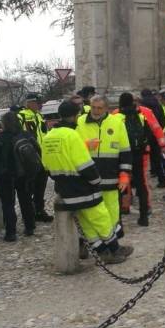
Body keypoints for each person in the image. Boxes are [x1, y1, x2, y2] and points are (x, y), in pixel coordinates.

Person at [42, 100, 131, 263]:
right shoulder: (72, 135)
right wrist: (96, 181)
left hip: (64, 188)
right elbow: (84, 164)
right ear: (75, 116)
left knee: (85, 220)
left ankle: (100, 250)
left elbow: (46, 165)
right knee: (101, 218)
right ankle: (113, 249)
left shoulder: (49, 136)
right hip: (83, 186)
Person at [77, 95, 132, 237]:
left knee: (112, 212)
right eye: (93, 107)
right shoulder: (80, 121)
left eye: (99, 108)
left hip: (111, 178)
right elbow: (73, 148)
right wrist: (85, 146)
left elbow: (125, 151)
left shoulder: (117, 123)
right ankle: (88, 243)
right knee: (89, 214)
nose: (95, 111)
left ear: (106, 108)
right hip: (88, 179)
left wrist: (125, 174)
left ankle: (113, 243)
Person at [0, 111, 40, 241]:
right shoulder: (26, 134)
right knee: (26, 200)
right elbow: (37, 150)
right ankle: (30, 227)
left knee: (8, 204)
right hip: (24, 173)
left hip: (5, 174)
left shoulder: (1, 137)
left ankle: (11, 232)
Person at [116, 93, 153, 227]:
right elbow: (148, 134)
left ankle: (118, 219)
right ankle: (144, 217)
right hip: (138, 154)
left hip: (122, 155)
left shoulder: (116, 117)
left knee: (120, 184)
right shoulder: (141, 116)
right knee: (141, 184)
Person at [18, 93, 52, 223]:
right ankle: (29, 212)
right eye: (38, 102)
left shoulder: (39, 116)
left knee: (40, 186)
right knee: (30, 187)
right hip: (30, 158)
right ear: (30, 103)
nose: (40, 105)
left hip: (42, 157)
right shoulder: (21, 116)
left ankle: (39, 210)